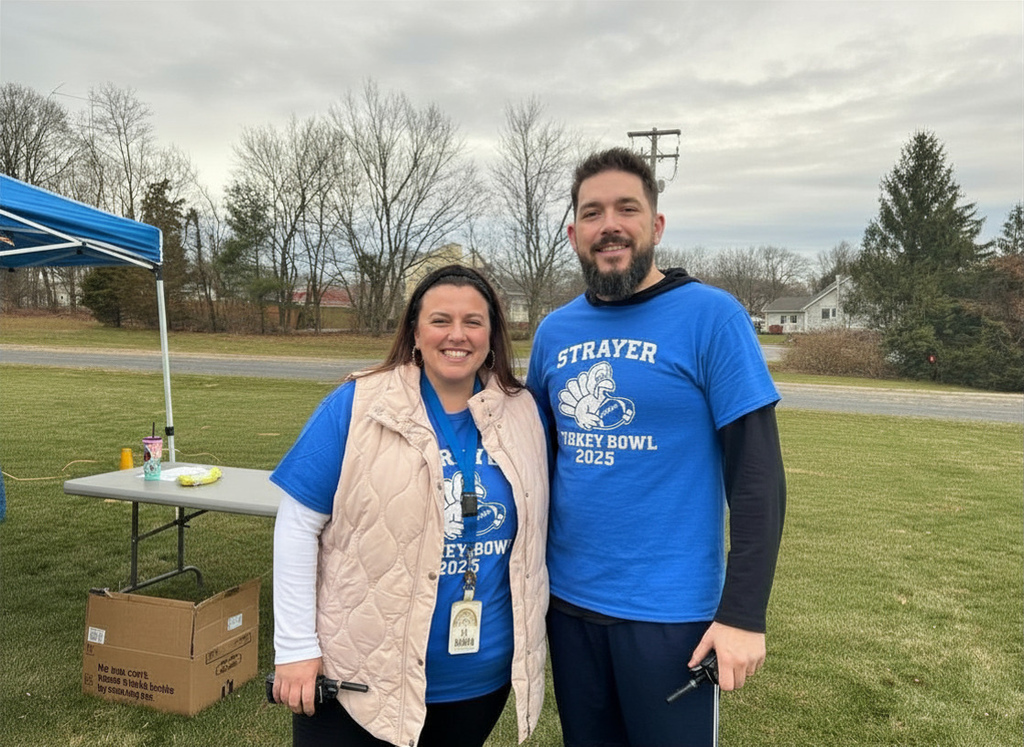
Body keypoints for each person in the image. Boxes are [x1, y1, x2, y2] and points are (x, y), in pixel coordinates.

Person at [527, 148, 786, 747]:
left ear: (656, 226)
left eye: (627, 208)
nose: (609, 224)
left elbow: (757, 477)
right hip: (567, 605)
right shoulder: (554, 332)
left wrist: (743, 614)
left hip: (672, 616)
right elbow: (535, 462)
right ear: (573, 233)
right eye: (592, 213)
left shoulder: (712, 317)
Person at [271, 265, 549, 747]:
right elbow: (297, 524)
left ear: (493, 335)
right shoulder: (357, 404)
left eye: (473, 321)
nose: (457, 335)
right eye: (440, 320)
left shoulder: (523, 410)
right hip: (362, 679)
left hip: (478, 682)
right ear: (415, 332)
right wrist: (295, 648)